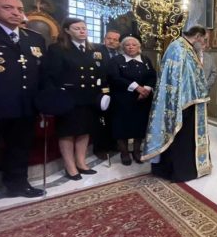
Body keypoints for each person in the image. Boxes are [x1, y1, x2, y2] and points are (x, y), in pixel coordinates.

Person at [142, 25, 212, 181]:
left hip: (191, 102)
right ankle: (178, 171)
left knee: (187, 138)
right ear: (198, 36)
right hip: (181, 103)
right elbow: (175, 78)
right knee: (180, 138)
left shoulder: (187, 48)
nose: (204, 43)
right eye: (204, 39)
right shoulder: (178, 48)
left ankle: (189, 169)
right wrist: (182, 100)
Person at [42, 18, 109, 180]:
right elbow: (51, 75)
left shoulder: (96, 49)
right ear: (67, 30)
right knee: (68, 132)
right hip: (68, 98)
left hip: (90, 97)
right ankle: (70, 166)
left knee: (85, 131)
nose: (82, 31)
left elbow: (102, 73)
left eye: (84, 28)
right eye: (77, 28)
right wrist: (54, 96)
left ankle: (81, 162)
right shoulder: (57, 49)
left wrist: (104, 93)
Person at [0, 0, 45, 197]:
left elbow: (42, 73)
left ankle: (18, 184)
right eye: (8, 8)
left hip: (25, 105)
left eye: (20, 9)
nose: (16, 13)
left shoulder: (34, 39)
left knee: (20, 146)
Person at [107, 36, 156, 166]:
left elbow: (152, 75)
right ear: (122, 47)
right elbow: (114, 77)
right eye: (127, 45)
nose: (131, 47)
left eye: (134, 45)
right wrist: (137, 88)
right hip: (122, 99)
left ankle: (137, 151)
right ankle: (124, 153)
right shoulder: (116, 60)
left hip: (143, 99)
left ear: (139, 47)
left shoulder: (145, 59)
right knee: (122, 127)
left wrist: (146, 89)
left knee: (139, 126)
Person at [92, 29, 122, 159]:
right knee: (101, 120)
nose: (112, 41)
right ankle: (100, 148)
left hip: (116, 91)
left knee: (114, 119)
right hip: (100, 90)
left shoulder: (120, 54)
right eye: (109, 38)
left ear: (119, 42)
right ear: (104, 39)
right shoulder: (96, 51)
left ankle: (113, 144)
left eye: (115, 40)